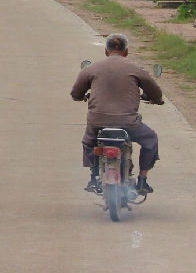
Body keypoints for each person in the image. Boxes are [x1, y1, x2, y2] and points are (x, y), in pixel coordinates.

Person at [70, 33, 164, 194]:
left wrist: (81, 97)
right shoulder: (136, 68)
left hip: (97, 122)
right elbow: (155, 91)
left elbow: (75, 93)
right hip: (128, 123)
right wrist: (156, 99)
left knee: (88, 143)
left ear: (106, 51)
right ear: (126, 51)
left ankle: (94, 177)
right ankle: (142, 180)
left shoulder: (91, 68)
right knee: (151, 140)